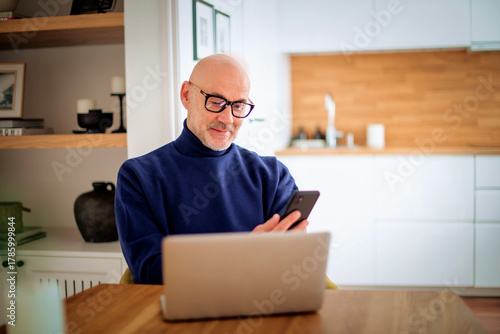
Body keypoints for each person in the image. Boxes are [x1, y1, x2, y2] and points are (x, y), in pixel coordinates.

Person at [115, 54, 307, 284]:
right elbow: (150, 272)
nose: (227, 118)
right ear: (186, 95)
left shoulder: (274, 175)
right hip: (181, 315)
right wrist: (244, 254)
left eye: (238, 105)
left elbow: (290, 265)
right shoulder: (138, 176)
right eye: (216, 101)